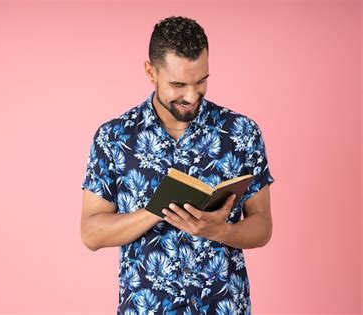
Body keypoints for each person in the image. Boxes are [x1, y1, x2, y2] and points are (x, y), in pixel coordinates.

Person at [80, 15, 275, 315]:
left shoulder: (242, 133)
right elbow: (91, 232)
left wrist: (220, 231)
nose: (191, 95)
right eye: (178, 84)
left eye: (202, 81)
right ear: (150, 72)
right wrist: (155, 211)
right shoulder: (114, 138)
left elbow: (262, 225)